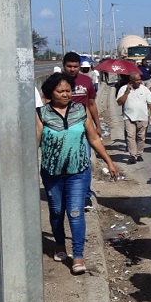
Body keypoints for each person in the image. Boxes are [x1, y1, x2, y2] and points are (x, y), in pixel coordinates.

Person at [37, 73, 119, 275]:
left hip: (78, 171)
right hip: (52, 173)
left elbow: (94, 139)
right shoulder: (41, 114)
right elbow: (33, 144)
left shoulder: (81, 110)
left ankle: (78, 255)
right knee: (56, 212)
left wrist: (109, 161)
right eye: (60, 91)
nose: (65, 94)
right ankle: (59, 244)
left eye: (68, 90)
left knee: (75, 212)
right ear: (50, 93)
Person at [63, 52, 102, 211]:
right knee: (65, 162)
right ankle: (68, 194)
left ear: (80, 66)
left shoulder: (86, 81)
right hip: (63, 130)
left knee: (85, 162)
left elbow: (91, 103)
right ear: (64, 65)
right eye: (69, 66)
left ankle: (85, 195)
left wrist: (97, 125)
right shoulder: (57, 82)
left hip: (84, 129)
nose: (72, 69)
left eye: (75, 66)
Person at [117, 72, 151, 163]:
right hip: (129, 117)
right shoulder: (123, 89)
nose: (139, 81)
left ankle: (139, 154)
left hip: (142, 117)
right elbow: (119, 102)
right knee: (130, 136)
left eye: (139, 79)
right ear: (131, 81)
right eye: (137, 80)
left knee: (141, 137)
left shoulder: (145, 89)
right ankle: (132, 155)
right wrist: (126, 93)